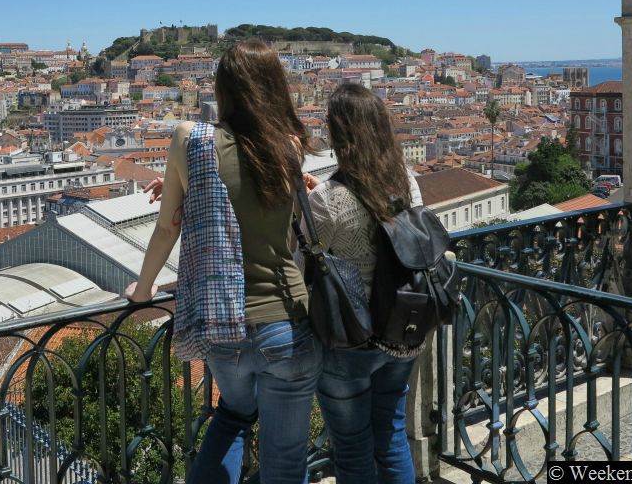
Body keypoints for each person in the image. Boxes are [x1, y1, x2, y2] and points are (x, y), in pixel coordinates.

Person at [125, 39, 320, 484]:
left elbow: (166, 227)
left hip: (222, 324)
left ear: (222, 87)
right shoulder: (290, 146)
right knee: (286, 461)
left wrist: (142, 289)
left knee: (232, 415)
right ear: (276, 87)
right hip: (287, 319)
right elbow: (286, 231)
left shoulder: (187, 140)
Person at [306, 83, 423, 484]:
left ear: (339, 135)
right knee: (391, 436)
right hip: (402, 327)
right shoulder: (406, 180)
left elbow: (300, 254)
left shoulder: (327, 197)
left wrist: (304, 202)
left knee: (352, 448)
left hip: (349, 338)